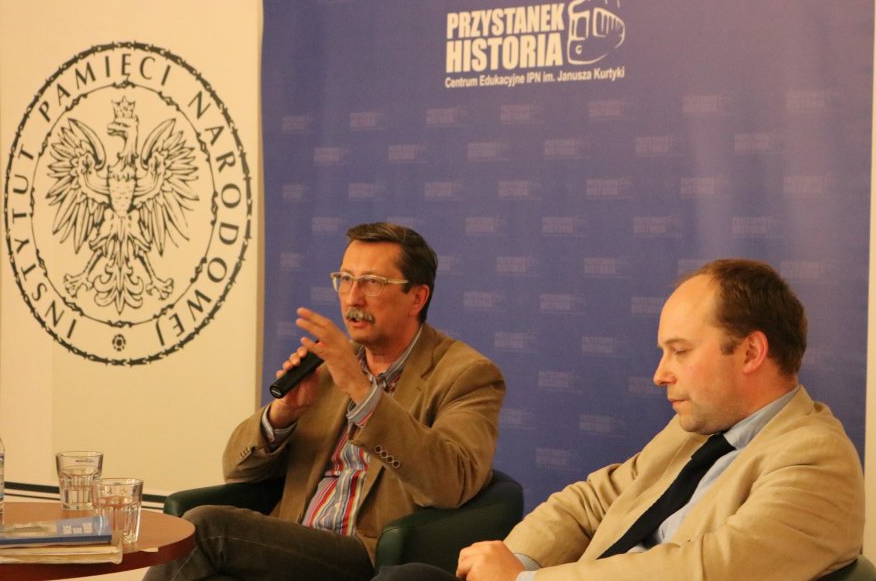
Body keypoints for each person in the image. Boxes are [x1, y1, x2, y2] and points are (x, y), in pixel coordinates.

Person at [375, 258, 865, 581]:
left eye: (680, 351)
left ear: (751, 352)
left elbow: (707, 571)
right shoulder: (695, 429)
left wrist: (526, 580)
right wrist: (515, 562)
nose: (660, 374)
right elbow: (590, 500)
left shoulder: (815, 459)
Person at [145, 222, 505, 581]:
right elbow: (237, 471)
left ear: (417, 297)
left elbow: (451, 482)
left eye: (372, 283)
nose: (353, 298)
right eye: (345, 279)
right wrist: (283, 414)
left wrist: (364, 393)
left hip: (368, 556)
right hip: (295, 543)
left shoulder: (465, 374)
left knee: (207, 527)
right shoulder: (327, 364)